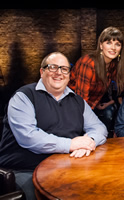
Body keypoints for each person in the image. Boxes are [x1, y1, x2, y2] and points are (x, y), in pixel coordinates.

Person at [0, 52, 108, 199]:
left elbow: (99, 127)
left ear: (69, 75)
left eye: (64, 69)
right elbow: (29, 137)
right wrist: (71, 144)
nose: (59, 73)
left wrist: (90, 142)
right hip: (25, 170)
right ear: (42, 72)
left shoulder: (77, 101)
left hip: (67, 167)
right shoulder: (24, 96)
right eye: (53, 67)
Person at [68, 27, 124, 136]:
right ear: (101, 45)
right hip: (73, 109)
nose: (113, 48)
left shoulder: (113, 65)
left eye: (117, 44)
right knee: (99, 131)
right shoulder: (88, 63)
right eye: (109, 43)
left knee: (109, 113)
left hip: (92, 105)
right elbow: (81, 100)